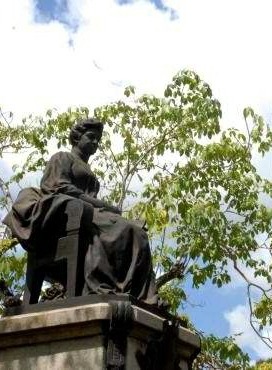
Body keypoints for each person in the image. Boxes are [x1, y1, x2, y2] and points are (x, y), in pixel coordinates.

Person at [3, 118, 159, 305]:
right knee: (121, 230)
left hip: (87, 215)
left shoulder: (88, 170)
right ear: (77, 137)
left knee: (138, 233)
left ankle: (138, 294)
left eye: (98, 140)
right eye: (91, 137)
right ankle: (100, 286)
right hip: (66, 218)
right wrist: (101, 205)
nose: (95, 143)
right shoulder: (62, 158)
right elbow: (57, 187)